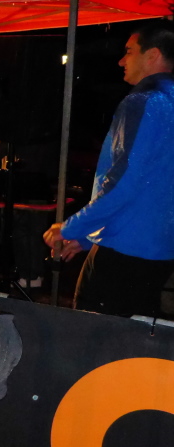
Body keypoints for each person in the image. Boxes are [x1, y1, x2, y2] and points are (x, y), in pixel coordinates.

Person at [43, 21, 174, 318]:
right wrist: (87, 237)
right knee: (136, 336)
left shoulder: (143, 101)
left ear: (152, 55)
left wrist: (71, 228)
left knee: (91, 333)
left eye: (129, 51)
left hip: (123, 249)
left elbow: (124, 183)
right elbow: (156, 185)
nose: (121, 61)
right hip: (162, 251)